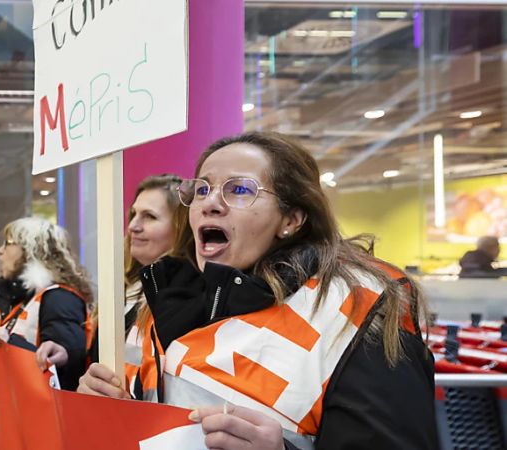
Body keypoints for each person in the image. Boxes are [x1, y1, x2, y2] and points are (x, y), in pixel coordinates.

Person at [78, 132, 437, 449]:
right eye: (202, 189)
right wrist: (111, 409)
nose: (210, 202)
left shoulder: (355, 311)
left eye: (239, 189)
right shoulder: (162, 300)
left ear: (291, 219)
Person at [89, 174, 194, 391]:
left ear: (181, 226)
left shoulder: (189, 297)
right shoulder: (128, 285)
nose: (133, 226)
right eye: (134, 214)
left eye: (150, 217)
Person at [0, 217, 92, 391]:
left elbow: (67, 365)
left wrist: (11, 345)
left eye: (8, 243)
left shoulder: (59, 298)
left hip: (43, 410)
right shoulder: (23, 297)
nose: (0, 251)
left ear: (31, 250)